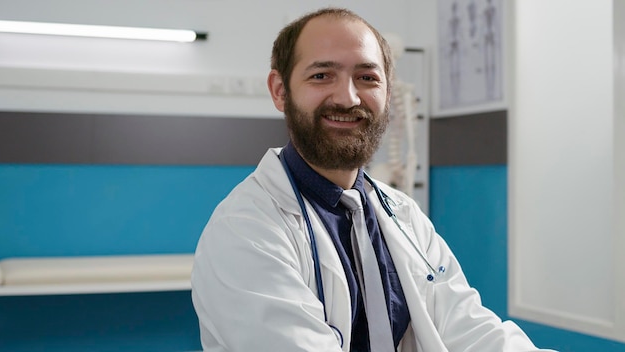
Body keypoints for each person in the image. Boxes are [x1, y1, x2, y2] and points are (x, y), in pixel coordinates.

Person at [191, 7, 553, 352]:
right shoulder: (246, 232)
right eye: (321, 75)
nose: (348, 98)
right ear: (280, 91)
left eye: (367, 78)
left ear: (388, 92)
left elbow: (468, 327)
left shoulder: (403, 215)